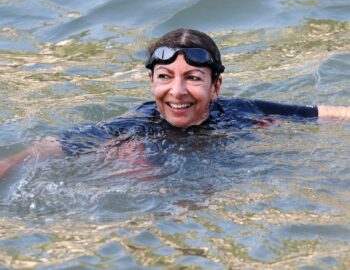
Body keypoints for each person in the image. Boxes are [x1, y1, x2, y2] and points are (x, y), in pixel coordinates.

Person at [1, 28, 350, 180]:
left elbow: (320, 114)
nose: (177, 91)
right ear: (151, 83)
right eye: (165, 76)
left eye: (193, 78)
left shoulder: (243, 111)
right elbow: (55, 147)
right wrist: (11, 163)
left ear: (216, 87)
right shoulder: (136, 125)